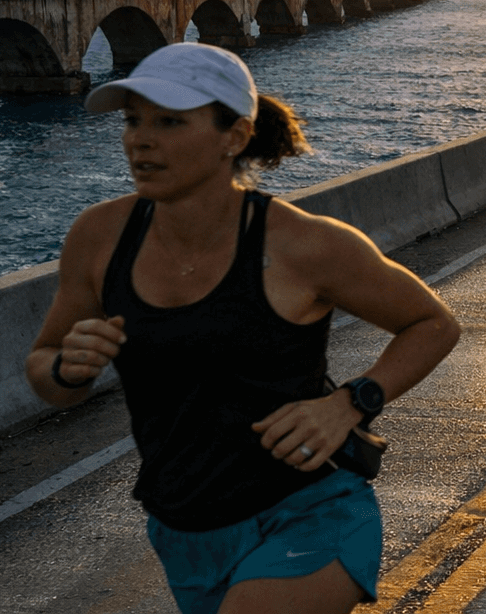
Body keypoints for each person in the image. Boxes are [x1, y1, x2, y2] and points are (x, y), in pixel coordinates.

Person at [26, 42, 461, 614]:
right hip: (183, 526)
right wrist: (66, 366)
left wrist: (352, 402)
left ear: (234, 136)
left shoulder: (302, 244)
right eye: (133, 120)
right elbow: (47, 371)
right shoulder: (101, 236)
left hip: (307, 508)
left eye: (170, 121)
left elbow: (433, 322)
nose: (140, 138)